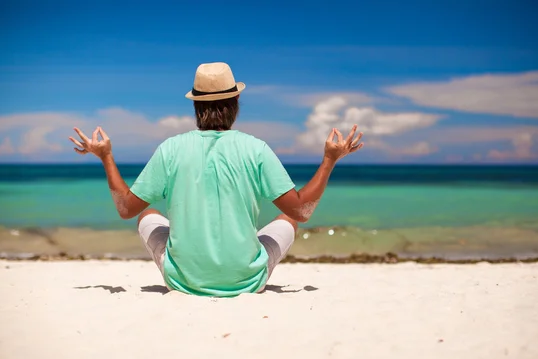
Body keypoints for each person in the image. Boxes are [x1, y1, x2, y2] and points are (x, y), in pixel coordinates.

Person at [68, 62, 364, 297]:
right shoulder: (255, 148)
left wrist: (106, 157)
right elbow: (301, 210)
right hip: (248, 282)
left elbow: (126, 209)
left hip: (184, 283)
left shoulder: (171, 148)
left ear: (196, 105)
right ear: (235, 102)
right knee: (288, 221)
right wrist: (329, 160)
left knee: (148, 213)